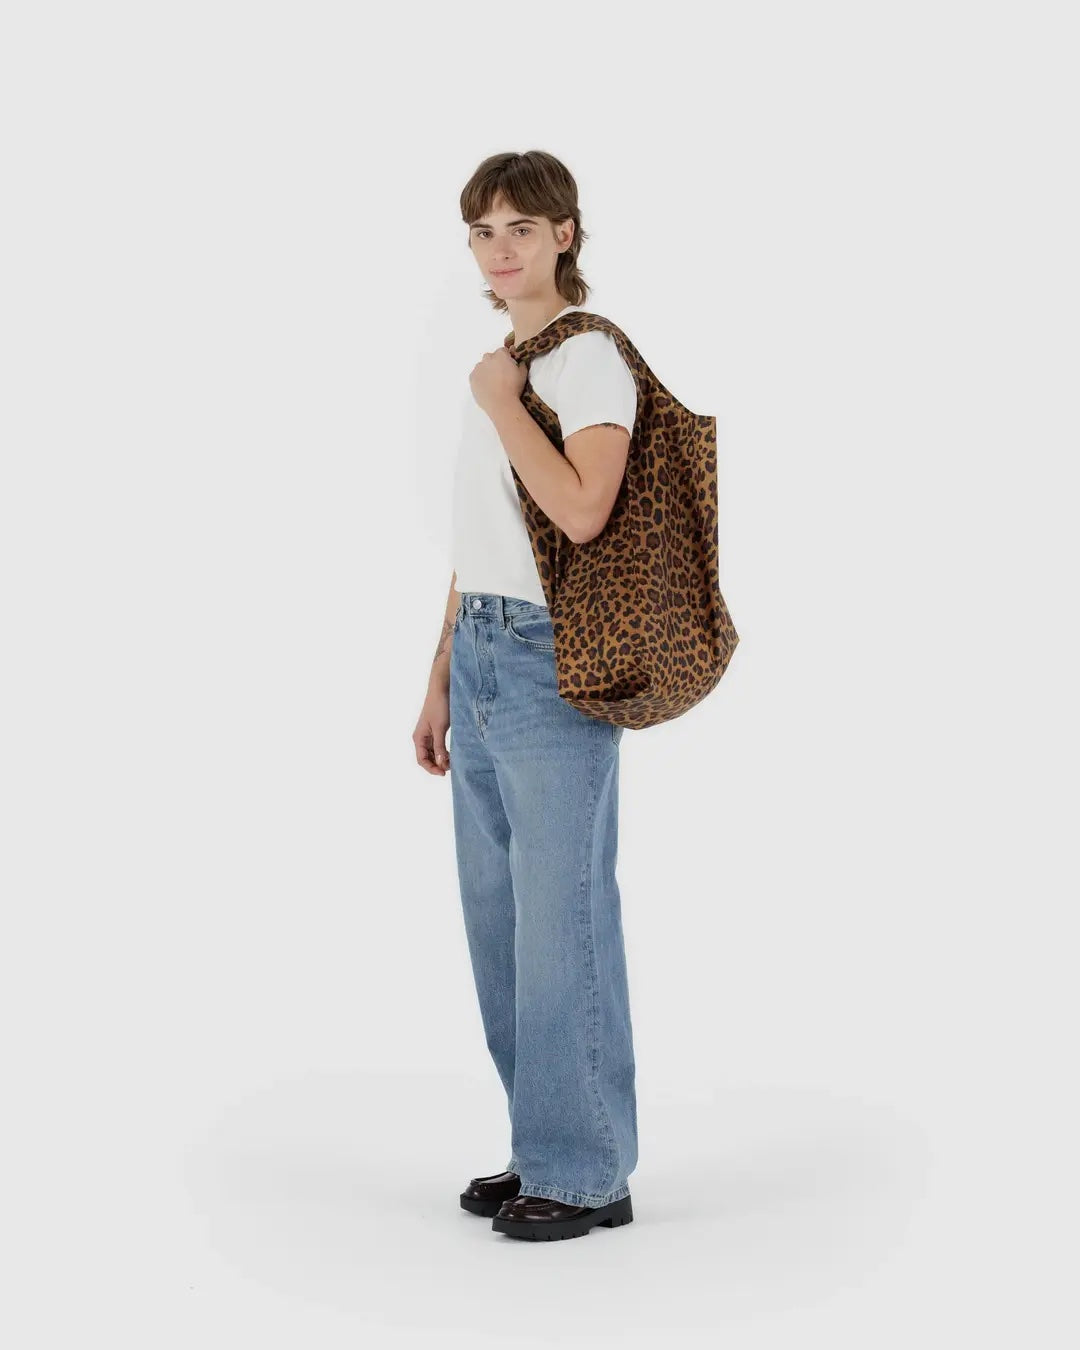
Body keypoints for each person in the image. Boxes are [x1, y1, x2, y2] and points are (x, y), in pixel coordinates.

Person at [413, 151, 638, 1242]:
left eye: (522, 225)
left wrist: (505, 404)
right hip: (491, 654)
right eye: (482, 230)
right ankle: (547, 1141)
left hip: (557, 663)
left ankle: (585, 1169)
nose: (501, 247)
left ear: (564, 235)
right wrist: (440, 672)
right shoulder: (505, 364)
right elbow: (483, 539)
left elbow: (585, 511)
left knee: (564, 927)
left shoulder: (581, 361)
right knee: (502, 925)